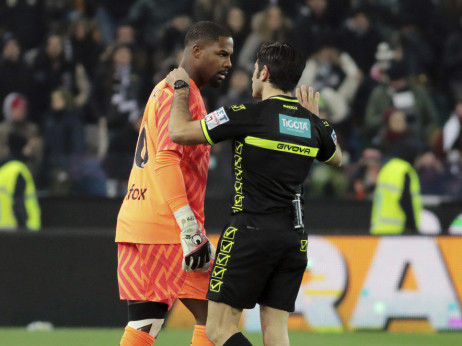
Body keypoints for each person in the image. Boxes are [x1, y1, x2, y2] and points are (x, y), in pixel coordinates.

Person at [166, 42, 342, 346]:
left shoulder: (246, 114)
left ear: (264, 72)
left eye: (253, 72)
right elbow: (337, 157)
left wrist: (180, 89)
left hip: (251, 233)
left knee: (218, 329)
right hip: (294, 239)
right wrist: (318, 121)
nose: (251, 79)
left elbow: (179, 132)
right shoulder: (311, 124)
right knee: (276, 333)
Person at [115, 21, 233, 346]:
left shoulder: (162, 90)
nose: (228, 63)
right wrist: (188, 226)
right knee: (217, 314)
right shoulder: (183, 96)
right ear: (196, 50)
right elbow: (167, 159)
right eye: (221, 53)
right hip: (168, 227)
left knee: (146, 320)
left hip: (136, 220)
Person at [370, 138, 424, 235]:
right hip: (398, 231)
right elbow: (406, 200)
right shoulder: (405, 171)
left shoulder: (386, 168)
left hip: (379, 228)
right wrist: (413, 227)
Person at [0, 132, 41, 231]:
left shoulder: (3, 169)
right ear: (21, 149)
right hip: (20, 229)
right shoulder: (18, 170)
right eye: (27, 147)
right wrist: (23, 228)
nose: (29, 151)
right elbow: (18, 202)